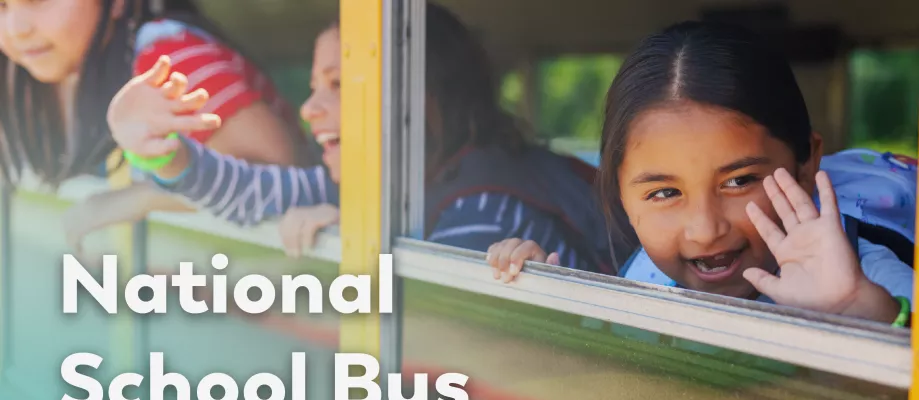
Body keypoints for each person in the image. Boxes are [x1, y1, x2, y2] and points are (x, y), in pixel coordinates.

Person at [106, 3, 635, 270]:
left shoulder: (485, 207)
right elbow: (249, 193)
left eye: (338, 85)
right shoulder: (375, 180)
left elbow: (444, 343)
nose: (311, 109)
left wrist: (358, 244)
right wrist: (162, 149)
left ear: (419, 99)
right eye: (314, 87)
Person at [486, 21, 914, 326]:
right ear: (619, 191)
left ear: (806, 164)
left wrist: (860, 310)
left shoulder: (868, 272)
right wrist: (542, 307)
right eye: (664, 193)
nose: (705, 230)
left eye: (739, 181)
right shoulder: (644, 277)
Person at [0, 0, 304, 253]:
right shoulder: (38, 76)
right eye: (2, 6)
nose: (16, 29)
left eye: (37, 0)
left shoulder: (171, 63)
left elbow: (292, 179)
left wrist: (144, 197)